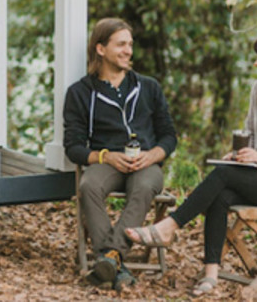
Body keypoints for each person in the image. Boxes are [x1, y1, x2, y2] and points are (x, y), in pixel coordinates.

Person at [125, 30, 257, 297]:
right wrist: (239, 154)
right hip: (256, 175)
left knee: (223, 177)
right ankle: (211, 274)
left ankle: (169, 227)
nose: (255, 63)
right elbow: (249, 132)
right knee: (221, 193)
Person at [63, 17, 178, 292]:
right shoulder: (80, 93)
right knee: (89, 184)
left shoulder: (148, 87)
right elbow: (74, 147)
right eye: (121, 44)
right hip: (108, 162)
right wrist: (106, 157)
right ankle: (116, 264)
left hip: (145, 163)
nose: (128, 50)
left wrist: (153, 155)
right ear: (101, 49)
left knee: (144, 186)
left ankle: (109, 257)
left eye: (130, 44)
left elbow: (169, 136)